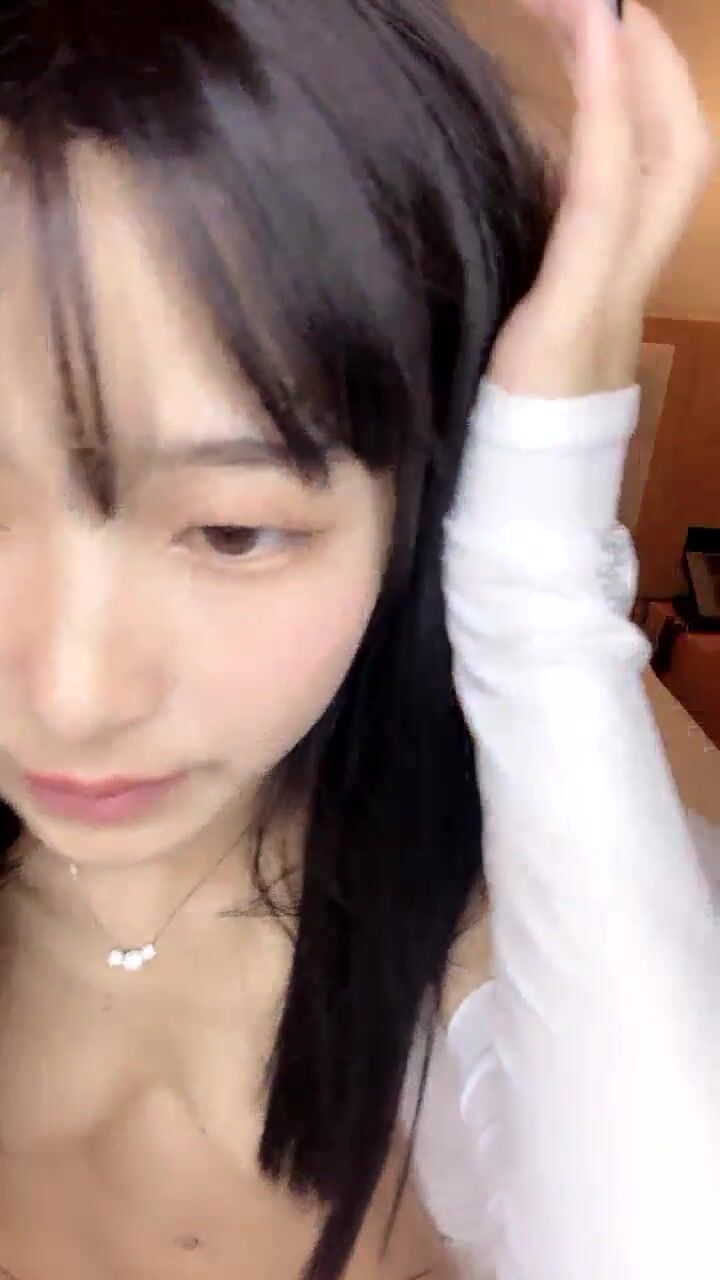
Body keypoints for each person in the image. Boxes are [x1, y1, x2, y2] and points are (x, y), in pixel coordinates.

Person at [0, 0, 715, 1278]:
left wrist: (537, 578)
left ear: (422, 507)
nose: (73, 693)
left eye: (231, 531)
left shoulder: (532, 947)